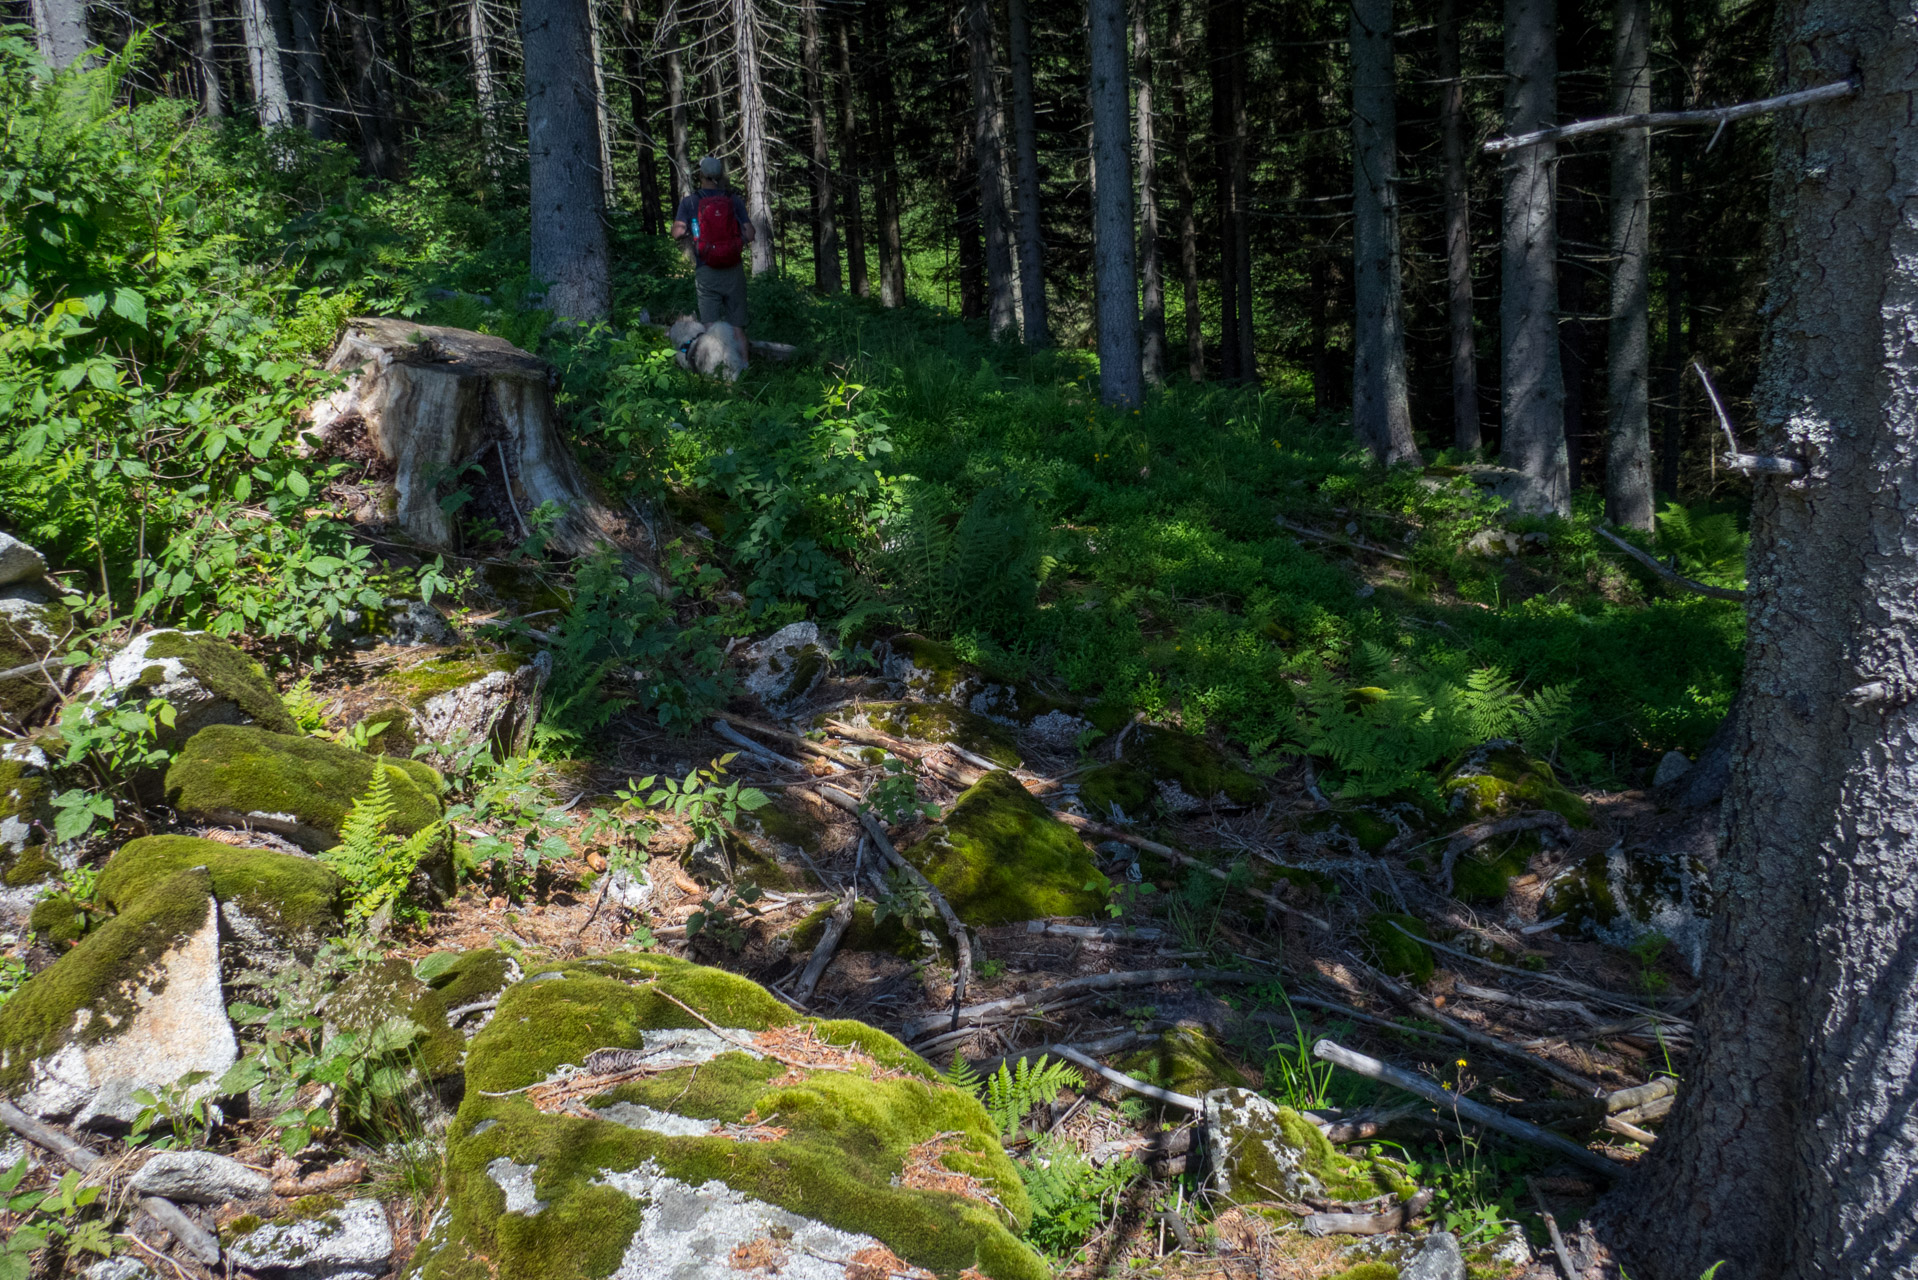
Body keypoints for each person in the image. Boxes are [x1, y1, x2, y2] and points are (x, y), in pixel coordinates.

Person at [672, 156, 756, 351]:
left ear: (701, 175)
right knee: (737, 327)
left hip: (706, 269)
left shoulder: (690, 202)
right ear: (720, 175)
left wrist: (690, 233)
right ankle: (743, 371)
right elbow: (750, 233)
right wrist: (736, 243)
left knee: (710, 327)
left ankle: (715, 372)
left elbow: (677, 232)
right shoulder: (733, 200)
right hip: (733, 269)